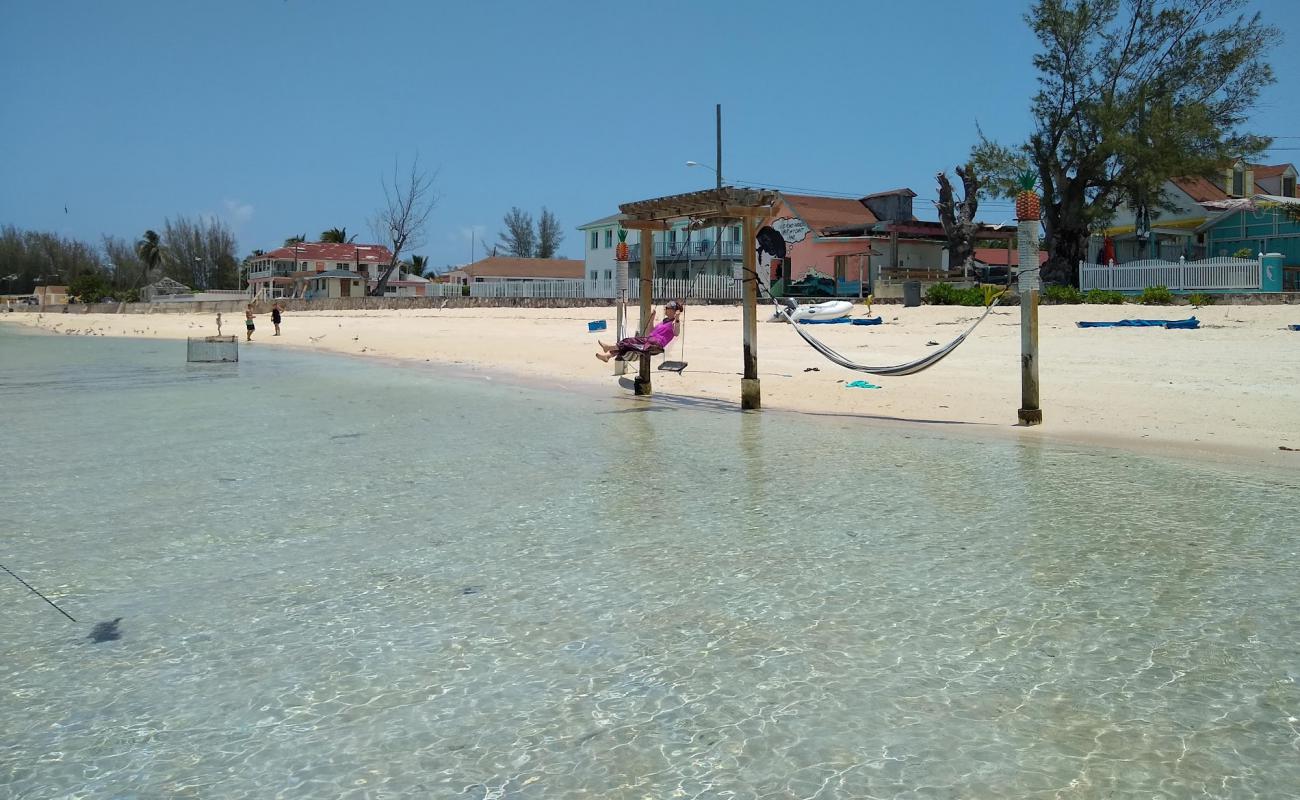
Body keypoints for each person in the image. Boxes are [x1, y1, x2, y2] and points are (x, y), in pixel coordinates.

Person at [596, 300, 683, 362]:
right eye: (665, 307)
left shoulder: (674, 323)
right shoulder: (664, 321)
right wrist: (652, 319)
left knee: (627, 342)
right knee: (627, 345)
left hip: (655, 344)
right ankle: (608, 356)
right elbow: (650, 332)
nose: (665, 308)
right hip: (649, 340)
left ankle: (608, 348)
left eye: (667, 307)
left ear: (674, 310)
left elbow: (677, 333)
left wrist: (678, 318)